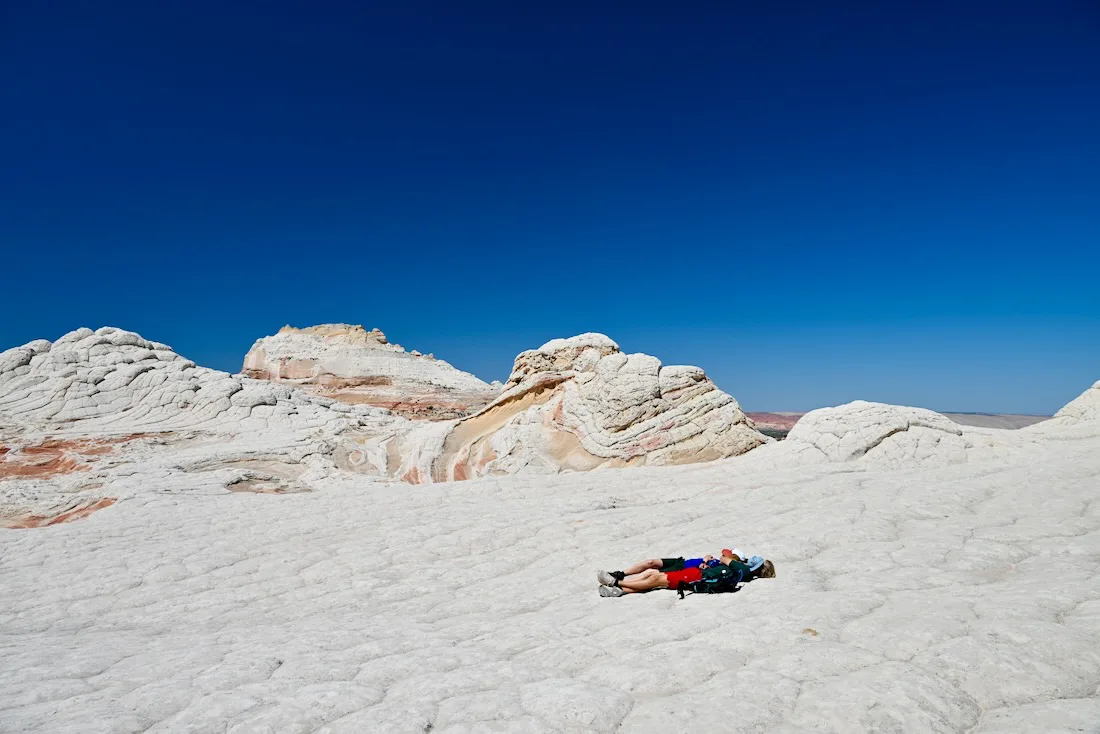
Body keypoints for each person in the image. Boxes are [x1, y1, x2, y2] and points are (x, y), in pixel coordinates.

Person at [596, 552, 775, 597]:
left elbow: (724, 556)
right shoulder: (743, 572)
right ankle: (618, 587)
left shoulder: (743, 570)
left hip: (696, 575)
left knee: (654, 578)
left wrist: (730, 558)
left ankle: (616, 584)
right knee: (653, 578)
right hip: (696, 573)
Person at [596, 548, 745, 586]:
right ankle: (620, 574)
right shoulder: (719, 560)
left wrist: (704, 565)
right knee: (650, 562)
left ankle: (621, 585)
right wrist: (706, 558)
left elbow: (705, 573)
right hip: (681, 561)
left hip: (682, 570)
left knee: (651, 572)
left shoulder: (724, 569)